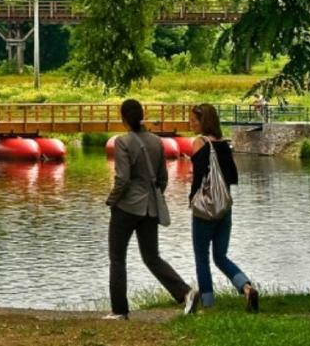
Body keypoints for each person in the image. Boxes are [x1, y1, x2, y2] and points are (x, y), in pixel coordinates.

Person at [104, 99, 198, 320]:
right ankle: (185, 292)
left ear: (124, 118)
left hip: (126, 208)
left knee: (117, 258)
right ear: (142, 116)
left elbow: (122, 179)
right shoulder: (157, 141)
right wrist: (153, 197)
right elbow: (163, 179)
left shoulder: (122, 142)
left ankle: (119, 311)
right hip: (150, 208)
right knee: (152, 257)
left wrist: (112, 200)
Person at [189, 103, 260, 312]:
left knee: (202, 258)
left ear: (204, 122)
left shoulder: (199, 143)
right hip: (224, 209)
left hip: (205, 210)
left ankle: (208, 304)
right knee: (220, 256)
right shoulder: (223, 145)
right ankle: (246, 288)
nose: (191, 123)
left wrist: (192, 200)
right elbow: (232, 177)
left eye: (194, 120)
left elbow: (198, 179)